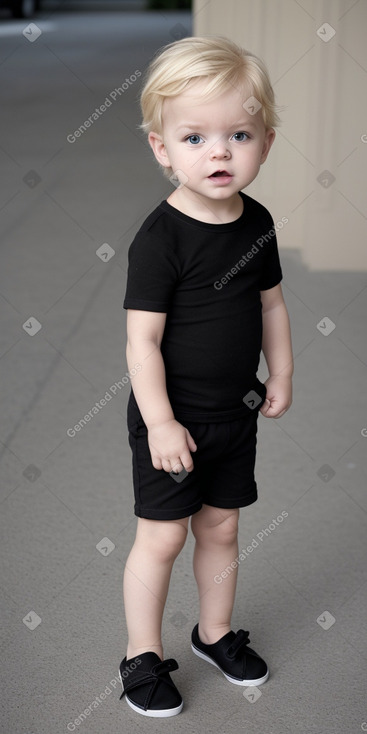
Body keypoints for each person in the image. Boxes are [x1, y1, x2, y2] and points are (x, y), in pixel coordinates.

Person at [119, 35, 293, 717]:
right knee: (161, 536)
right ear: (162, 148)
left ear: (265, 144)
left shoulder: (258, 223)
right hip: (172, 421)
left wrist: (279, 370)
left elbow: (271, 303)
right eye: (193, 136)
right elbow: (142, 341)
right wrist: (159, 420)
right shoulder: (159, 239)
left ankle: (213, 632)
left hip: (234, 413)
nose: (218, 151)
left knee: (220, 527)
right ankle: (139, 653)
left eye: (238, 134)